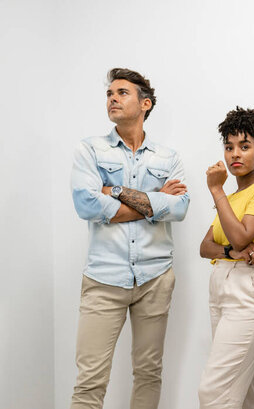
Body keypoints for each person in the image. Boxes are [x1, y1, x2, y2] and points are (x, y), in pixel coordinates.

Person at [70, 68, 189, 409]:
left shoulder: (169, 158)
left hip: (155, 278)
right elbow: (86, 202)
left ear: (145, 103)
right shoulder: (89, 150)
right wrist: (154, 201)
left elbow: (179, 207)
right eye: (110, 93)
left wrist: (116, 191)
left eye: (122, 92)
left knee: (149, 373)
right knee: (90, 379)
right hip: (104, 279)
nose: (112, 98)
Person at [198, 107, 254, 409]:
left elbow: (240, 235)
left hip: (248, 294)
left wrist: (216, 189)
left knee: (214, 394)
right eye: (229, 147)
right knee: (243, 392)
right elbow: (206, 246)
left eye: (245, 146)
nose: (235, 154)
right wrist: (231, 252)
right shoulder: (232, 199)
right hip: (221, 290)